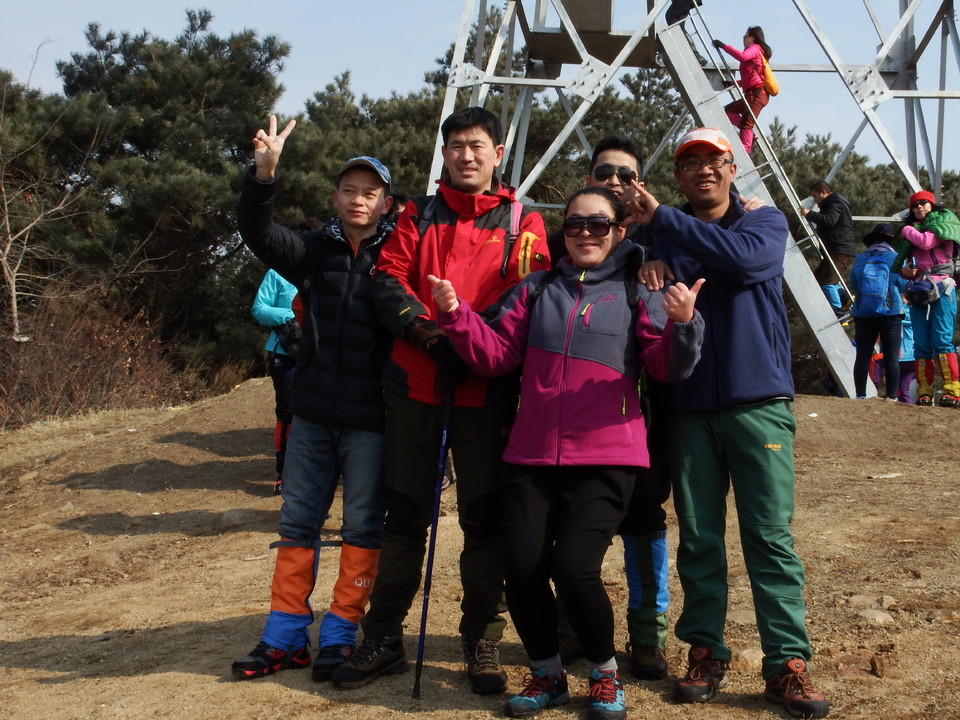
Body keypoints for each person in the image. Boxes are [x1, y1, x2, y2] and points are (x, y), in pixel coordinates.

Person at [431, 185, 704, 720]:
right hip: (531, 455)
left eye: (598, 224)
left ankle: (604, 673)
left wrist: (683, 324)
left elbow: (666, 367)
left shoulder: (640, 289)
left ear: (619, 232)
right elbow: (497, 356)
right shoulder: (536, 289)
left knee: (575, 568)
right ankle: (547, 673)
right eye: (574, 224)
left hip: (607, 456)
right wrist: (456, 315)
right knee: (522, 567)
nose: (584, 233)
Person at [331, 106, 551, 694]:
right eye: (455, 146)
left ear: (497, 154)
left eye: (477, 146)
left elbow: (527, 294)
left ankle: (482, 639)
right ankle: (383, 636)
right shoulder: (416, 214)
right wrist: (428, 334)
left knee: (485, 521)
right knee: (404, 517)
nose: (466, 156)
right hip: (414, 385)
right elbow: (388, 278)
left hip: (486, 389)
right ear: (445, 154)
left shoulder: (524, 222)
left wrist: (469, 341)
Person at [627, 126, 830, 719]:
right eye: (690, 162)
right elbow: (627, 264)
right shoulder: (662, 238)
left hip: (758, 403)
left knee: (769, 537)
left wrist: (662, 224)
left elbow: (741, 260)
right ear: (679, 175)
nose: (704, 170)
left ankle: (787, 663)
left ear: (733, 168)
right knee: (699, 537)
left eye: (714, 160)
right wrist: (647, 252)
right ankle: (705, 651)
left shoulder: (763, 223)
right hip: (689, 409)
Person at [231, 114, 397, 684]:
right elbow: (257, 232)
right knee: (297, 522)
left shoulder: (401, 256)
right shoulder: (311, 251)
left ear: (385, 203)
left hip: (372, 420)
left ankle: (341, 634)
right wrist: (264, 176)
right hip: (312, 415)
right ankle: (284, 638)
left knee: (362, 528)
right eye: (349, 190)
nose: (358, 199)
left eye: (369, 192)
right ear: (335, 197)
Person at [548, 134, 676, 682]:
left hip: (647, 414)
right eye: (605, 173)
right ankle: (571, 626)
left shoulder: (664, 239)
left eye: (626, 174)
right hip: (576, 417)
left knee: (645, 519)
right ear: (590, 178)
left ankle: (647, 634)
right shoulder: (564, 244)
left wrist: (663, 258)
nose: (616, 182)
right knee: (570, 521)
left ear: (640, 183)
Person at [892, 190, 960, 407]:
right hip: (919, 288)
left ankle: (952, 391)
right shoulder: (915, 230)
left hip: (943, 286)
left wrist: (906, 229)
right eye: (915, 205)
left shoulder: (942, 223)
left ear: (932, 205)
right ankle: (924, 392)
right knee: (921, 344)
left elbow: (926, 242)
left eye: (923, 203)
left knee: (942, 340)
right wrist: (905, 272)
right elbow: (905, 264)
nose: (919, 207)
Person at [251, 268, 298, 495]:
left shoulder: (325, 263)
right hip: (285, 353)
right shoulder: (277, 272)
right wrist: (293, 314)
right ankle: (284, 473)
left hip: (323, 352)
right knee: (288, 412)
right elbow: (260, 309)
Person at [848, 223, 905, 399]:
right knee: (891, 357)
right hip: (891, 311)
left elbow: (854, 284)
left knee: (862, 356)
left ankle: (860, 395)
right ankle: (891, 397)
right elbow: (903, 284)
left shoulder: (860, 258)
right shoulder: (895, 257)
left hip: (863, 312)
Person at [712, 26, 773, 153]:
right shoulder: (756, 51)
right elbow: (748, 79)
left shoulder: (754, 49)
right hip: (752, 93)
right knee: (728, 112)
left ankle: (746, 150)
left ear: (753, 38)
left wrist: (724, 46)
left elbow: (742, 56)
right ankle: (750, 135)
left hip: (757, 93)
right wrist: (732, 83)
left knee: (747, 123)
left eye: (745, 36)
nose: (743, 39)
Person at [800, 181, 856, 318]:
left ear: (823, 192)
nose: (814, 200)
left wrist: (809, 214)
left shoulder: (835, 202)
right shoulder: (833, 203)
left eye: (815, 196)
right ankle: (844, 298)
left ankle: (838, 313)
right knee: (820, 279)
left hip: (839, 250)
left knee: (827, 281)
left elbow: (830, 220)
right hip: (836, 250)